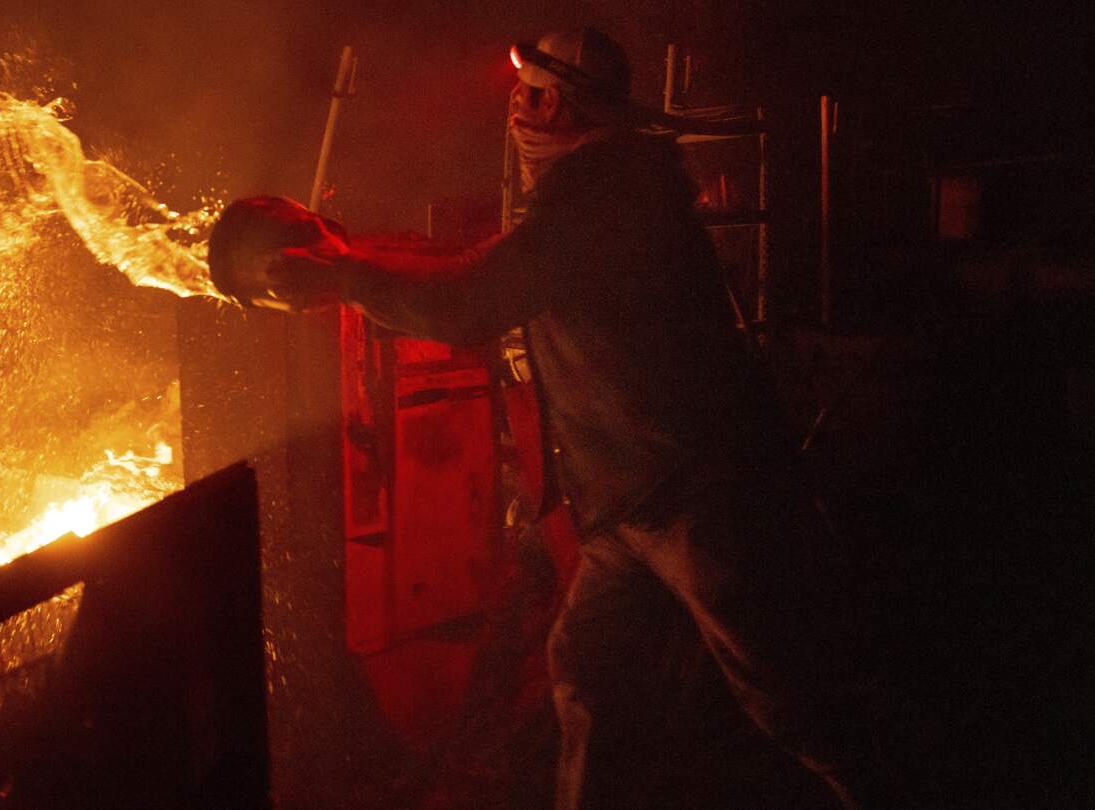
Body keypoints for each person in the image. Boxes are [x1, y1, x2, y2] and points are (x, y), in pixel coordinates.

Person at [209, 28, 899, 809]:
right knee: (595, 685)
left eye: (536, 94)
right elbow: (482, 278)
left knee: (788, 690)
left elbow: (473, 300)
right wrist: (351, 265)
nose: (517, 107)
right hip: (630, 505)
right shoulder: (588, 193)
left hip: (700, 490)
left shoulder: (605, 195)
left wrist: (342, 274)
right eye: (519, 89)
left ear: (570, 108)